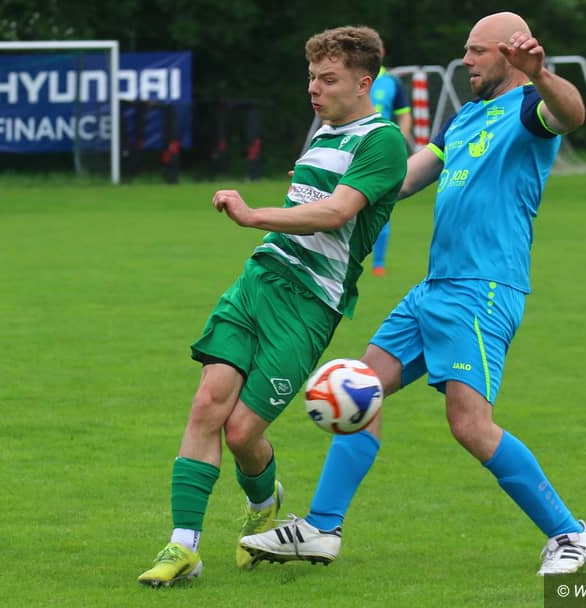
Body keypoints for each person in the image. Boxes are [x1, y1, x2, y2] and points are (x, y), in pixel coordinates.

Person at [240, 12, 586, 576]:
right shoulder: (464, 118)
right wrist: (339, 184)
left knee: (469, 424)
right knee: (361, 390)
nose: (466, 60)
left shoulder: (530, 108)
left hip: (483, 289)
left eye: (477, 51)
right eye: (466, 49)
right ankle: (322, 528)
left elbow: (572, 115)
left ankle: (571, 533)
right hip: (435, 287)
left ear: (510, 55)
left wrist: (541, 73)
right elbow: (404, 177)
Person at [137, 25, 408, 587]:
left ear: (364, 83)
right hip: (259, 279)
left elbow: (336, 214)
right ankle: (183, 546)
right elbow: (312, 198)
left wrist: (252, 214)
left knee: (241, 433)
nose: (314, 88)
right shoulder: (324, 132)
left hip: (309, 304)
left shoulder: (382, 141)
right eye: (311, 77)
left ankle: (264, 503)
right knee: (207, 403)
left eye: (327, 79)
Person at [369, 44, 413, 277]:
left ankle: (378, 263)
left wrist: (399, 143)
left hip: (381, 153)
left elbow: (404, 115)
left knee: (382, 207)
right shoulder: (349, 77)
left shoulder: (391, 82)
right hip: (351, 150)